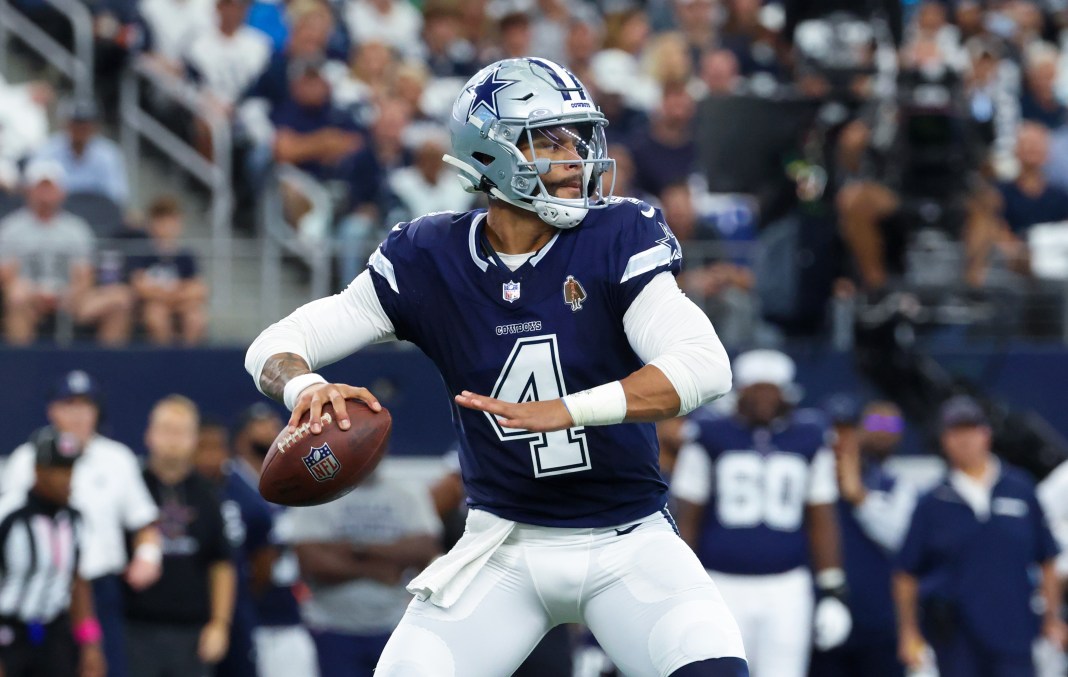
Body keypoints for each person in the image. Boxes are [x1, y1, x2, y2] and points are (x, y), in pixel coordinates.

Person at [245, 57, 747, 676]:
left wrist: (568, 410)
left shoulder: (617, 232)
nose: (575, 157)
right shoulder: (430, 256)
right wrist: (306, 385)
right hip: (502, 546)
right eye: (549, 140)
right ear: (490, 154)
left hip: (629, 539)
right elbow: (276, 341)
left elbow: (704, 366)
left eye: (578, 137)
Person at [671, 349, 852, 677]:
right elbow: (688, 517)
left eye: (772, 389)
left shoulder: (810, 436)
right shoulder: (708, 434)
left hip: (787, 586)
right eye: (757, 389)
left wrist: (832, 590)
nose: (765, 398)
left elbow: (822, 517)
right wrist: (681, 588)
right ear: (740, 391)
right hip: (720, 581)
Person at [0, 370, 162, 677]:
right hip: (28, 600)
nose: (77, 415)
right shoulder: (22, 466)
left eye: (85, 405)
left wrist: (147, 556)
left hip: (92, 589)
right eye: (68, 404)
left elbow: (143, 523)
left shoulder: (116, 460)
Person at [895, 395, 1066, 677]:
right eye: (955, 432)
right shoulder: (933, 501)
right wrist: (908, 633)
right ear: (944, 440)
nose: (965, 440)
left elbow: (1047, 558)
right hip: (955, 637)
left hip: (1015, 630)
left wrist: (1052, 619)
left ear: (986, 434)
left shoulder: (1020, 488)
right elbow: (905, 573)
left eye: (971, 430)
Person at [277, 468, 441, 677]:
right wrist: (379, 569)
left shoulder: (407, 492)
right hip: (331, 628)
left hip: (393, 626)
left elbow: (425, 549)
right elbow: (310, 561)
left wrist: (356, 549)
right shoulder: (318, 491)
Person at [123, 395, 236, 677]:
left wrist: (220, 624)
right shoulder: (128, 487)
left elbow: (221, 563)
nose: (173, 439)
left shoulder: (208, 494)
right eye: (166, 430)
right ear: (149, 434)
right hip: (134, 627)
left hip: (192, 631)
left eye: (182, 431)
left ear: (195, 439)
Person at [809, 400, 915, 677]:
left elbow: (903, 540)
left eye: (848, 432)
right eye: (834, 433)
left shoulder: (894, 484)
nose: (841, 441)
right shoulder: (807, 484)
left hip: (878, 621)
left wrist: (858, 496)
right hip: (818, 615)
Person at [0, 427, 105, 677]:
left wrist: (90, 644)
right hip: (8, 632)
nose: (67, 478)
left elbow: (78, 583)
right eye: (58, 469)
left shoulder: (75, 520)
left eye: (70, 469)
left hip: (54, 632)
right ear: (38, 471)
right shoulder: (9, 515)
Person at [0, 159, 133, 345]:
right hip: (29, 298)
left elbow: (85, 275)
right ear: (29, 191)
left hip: (70, 299)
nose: (45, 195)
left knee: (121, 298)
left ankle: (107, 368)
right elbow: (7, 275)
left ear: (61, 192)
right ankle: (21, 367)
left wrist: (68, 295)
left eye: (50, 188)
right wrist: (36, 294)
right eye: (40, 188)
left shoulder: (76, 228)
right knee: (17, 295)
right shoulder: (11, 228)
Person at [232, 403, 320, 677]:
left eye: (274, 425)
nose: (272, 431)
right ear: (242, 436)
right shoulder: (230, 483)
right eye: (262, 425)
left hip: (289, 610)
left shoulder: (293, 480)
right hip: (248, 610)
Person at [195, 418, 275, 677]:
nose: (209, 456)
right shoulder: (181, 492)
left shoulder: (245, 496)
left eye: (215, 448)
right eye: (201, 448)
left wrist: (245, 594)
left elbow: (263, 556)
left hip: (238, 605)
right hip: (188, 606)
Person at [127, 195, 209, 345]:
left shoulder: (186, 256)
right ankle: (166, 362)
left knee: (195, 318)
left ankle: (188, 360)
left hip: (178, 303)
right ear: (151, 223)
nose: (166, 226)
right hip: (153, 306)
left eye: (171, 220)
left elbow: (199, 290)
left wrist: (170, 297)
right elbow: (140, 287)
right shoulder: (142, 253)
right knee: (156, 315)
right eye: (161, 221)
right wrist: (175, 292)